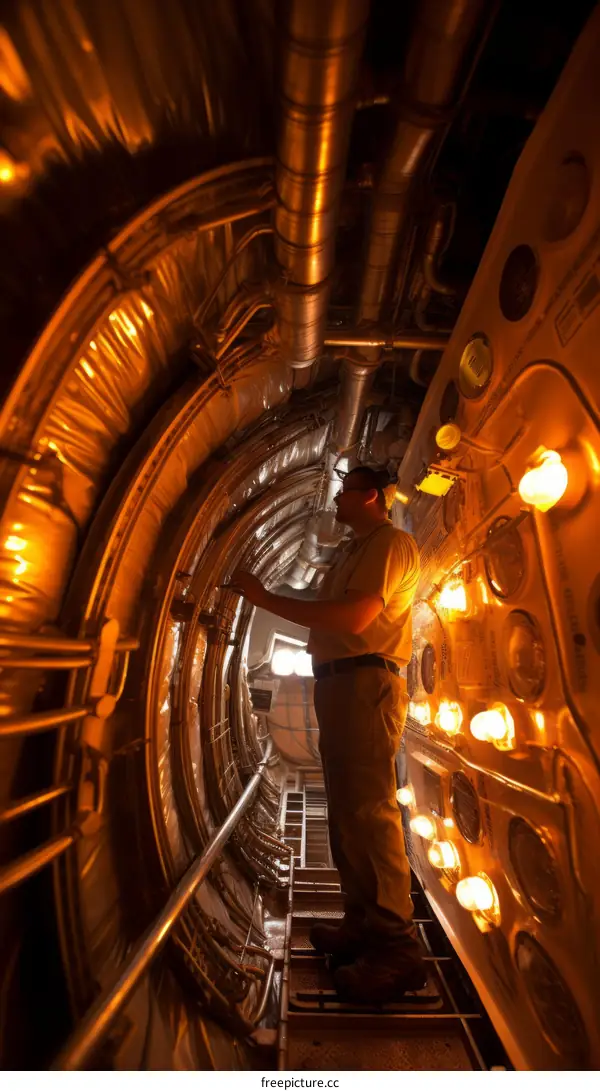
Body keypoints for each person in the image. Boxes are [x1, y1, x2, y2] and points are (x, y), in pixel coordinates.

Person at [229, 465, 425, 1004]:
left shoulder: (390, 544)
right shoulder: (352, 552)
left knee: (369, 813)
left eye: (346, 491)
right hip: (340, 684)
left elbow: (355, 618)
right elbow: (331, 617)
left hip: (366, 683)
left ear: (372, 497)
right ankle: (361, 922)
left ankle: (397, 948)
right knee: (345, 812)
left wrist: (263, 598)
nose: (338, 499)